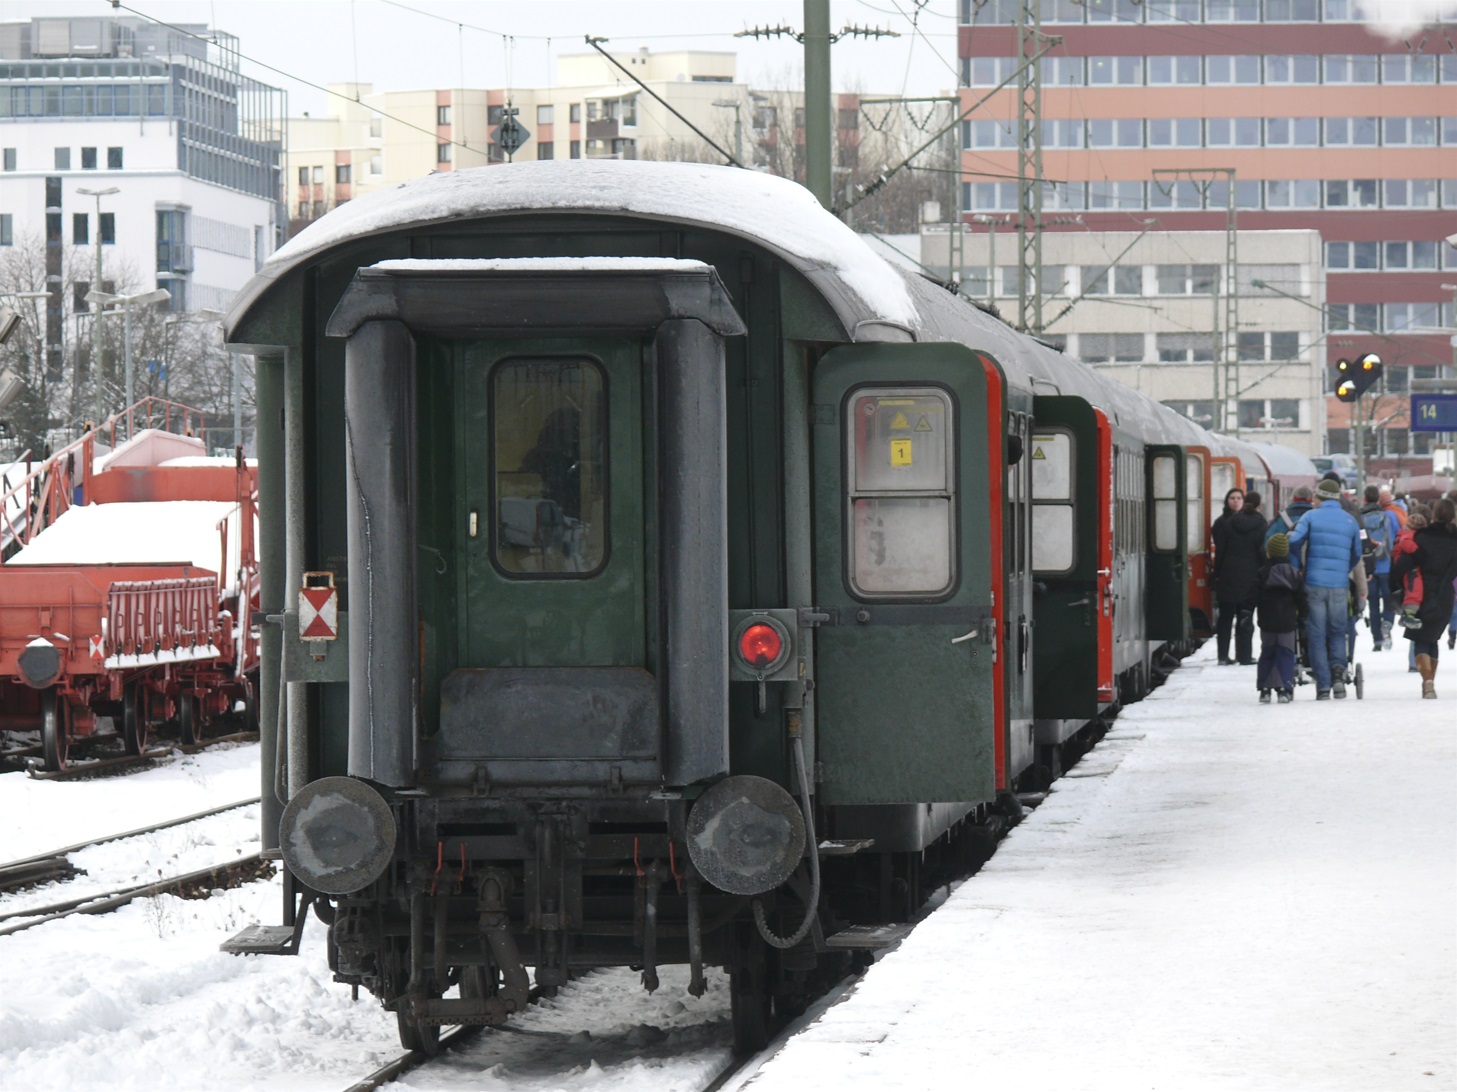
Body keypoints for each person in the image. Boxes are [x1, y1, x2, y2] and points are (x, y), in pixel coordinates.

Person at [1288, 478, 1364, 699]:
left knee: (1317, 634)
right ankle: (1339, 675)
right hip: (1339, 585)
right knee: (1338, 631)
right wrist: (1344, 570)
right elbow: (1357, 554)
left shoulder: (1310, 517)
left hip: (1314, 583)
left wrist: (1298, 565)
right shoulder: (1350, 521)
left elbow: (1294, 540)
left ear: (1319, 497)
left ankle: (1323, 685)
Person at [1389, 497, 1457, 699]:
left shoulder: (1420, 537)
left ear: (1434, 515)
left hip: (1419, 593)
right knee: (1433, 638)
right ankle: (1430, 681)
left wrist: (1395, 587)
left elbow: (1402, 565)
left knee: (1420, 637)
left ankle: (1427, 681)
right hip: (1445, 595)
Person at [1212, 491, 1267, 665]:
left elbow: (1220, 552)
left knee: (1225, 618)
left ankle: (1222, 656)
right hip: (1250, 578)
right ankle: (1244, 655)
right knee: (1246, 617)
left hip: (1228, 575)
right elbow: (1262, 553)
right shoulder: (1261, 525)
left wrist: (1217, 573)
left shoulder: (1228, 523)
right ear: (1258, 505)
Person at [1255, 532, 1305, 704]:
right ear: (1286, 552)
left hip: (1267, 621)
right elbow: (1301, 597)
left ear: (1269, 553)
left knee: (1267, 653)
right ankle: (1285, 688)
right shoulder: (1293, 574)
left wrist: (1247, 610)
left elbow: (1253, 595)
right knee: (1285, 653)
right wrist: (1304, 615)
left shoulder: (1263, 573)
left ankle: (1265, 689)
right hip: (1287, 622)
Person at [1358, 484, 1399, 651]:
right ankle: (1387, 624)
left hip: (1369, 568)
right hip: (1387, 566)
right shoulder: (1389, 517)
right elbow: (1397, 538)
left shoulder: (1360, 518)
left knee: (1373, 604)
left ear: (1365, 499)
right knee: (1389, 602)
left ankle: (1377, 640)